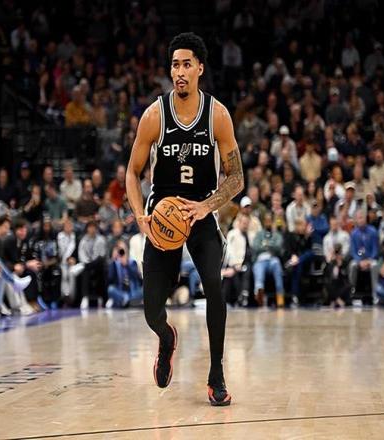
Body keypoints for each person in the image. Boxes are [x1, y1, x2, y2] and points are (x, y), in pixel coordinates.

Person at [126, 33, 244, 406]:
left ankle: (216, 375)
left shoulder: (217, 115)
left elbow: (237, 178)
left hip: (200, 214)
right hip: (163, 217)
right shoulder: (154, 116)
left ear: (200, 69)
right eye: (175, 64)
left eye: (186, 64)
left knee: (214, 287)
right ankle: (166, 337)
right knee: (150, 309)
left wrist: (207, 206)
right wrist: (140, 215)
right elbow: (132, 172)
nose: (179, 71)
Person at [252, 212, 284, 307]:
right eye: (266, 221)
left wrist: (266, 244)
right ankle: (259, 293)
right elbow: (256, 247)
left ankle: (280, 296)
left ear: (272, 222)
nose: (268, 223)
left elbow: (278, 247)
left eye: (270, 221)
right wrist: (270, 245)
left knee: (277, 264)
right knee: (259, 269)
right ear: (263, 222)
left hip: (272, 259)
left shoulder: (277, 234)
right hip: (260, 260)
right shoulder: (259, 234)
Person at [349, 210, 380, 300]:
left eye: (362, 218)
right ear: (356, 220)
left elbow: (375, 249)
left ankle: (375, 293)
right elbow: (353, 251)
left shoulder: (373, 231)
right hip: (359, 260)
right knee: (352, 265)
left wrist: (369, 260)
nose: (361, 220)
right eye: (359, 218)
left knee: (375, 265)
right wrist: (359, 261)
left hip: (370, 259)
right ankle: (351, 291)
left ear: (365, 219)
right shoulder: (353, 233)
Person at [106, 240, 143, 308]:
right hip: (121, 292)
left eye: (123, 249)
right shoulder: (114, 263)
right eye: (120, 250)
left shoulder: (132, 262)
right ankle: (129, 301)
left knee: (143, 290)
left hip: (133, 292)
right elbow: (110, 279)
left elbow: (138, 279)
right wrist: (113, 260)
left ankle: (125, 302)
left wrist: (127, 265)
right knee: (110, 289)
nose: (122, 252)